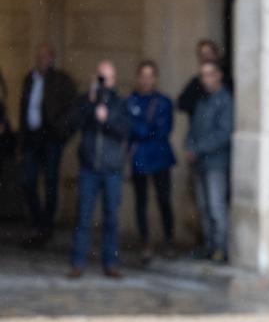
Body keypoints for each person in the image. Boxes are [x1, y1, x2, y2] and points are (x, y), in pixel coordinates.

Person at [68, 60, 130, 278]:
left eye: (107, 78)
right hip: (89, 167)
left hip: (112, 168)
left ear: (113, 80)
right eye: (101, 77)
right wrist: (90, 101)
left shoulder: (120, 103)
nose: (104, 82)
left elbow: (125, 129)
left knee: (111, 217)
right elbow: (73, 122)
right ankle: (77, 262)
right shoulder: (87, 100)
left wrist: (107, 119)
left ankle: (110, 263)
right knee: (83, 216)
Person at [18, 43, 77, 248]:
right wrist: (21, 142)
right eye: (39, 56)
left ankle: (46, 226)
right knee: (27, 181)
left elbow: (72, 109)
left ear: (52, 59)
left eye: (45, 56)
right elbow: (23, 110)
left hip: (51, 138)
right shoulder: (30, 79)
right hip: (32, 139)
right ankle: (37, 222)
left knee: (51, 183)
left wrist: (60, 131)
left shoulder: (61, 79)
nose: (41, 60)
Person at [127, 60, 177, 263]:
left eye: (150, 76)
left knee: (164, 199)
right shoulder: (131, 100)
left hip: (159, 156)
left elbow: (162, 129)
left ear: (155, 78)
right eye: (143, 75)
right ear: (139, 77)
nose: (146, 80)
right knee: (141, 202)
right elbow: (127, 126)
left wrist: (140, 130)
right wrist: (142, 130)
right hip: (139, 157)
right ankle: (145, 241)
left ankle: (169, 239)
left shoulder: (164, 102)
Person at [184, 60, 233, 263]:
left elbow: (223, 134)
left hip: (216, 164)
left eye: (210, 74)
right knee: (204, 208)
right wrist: (188, 144)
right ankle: (209, 246)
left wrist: (197, 148)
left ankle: (220, 248)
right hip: (200, 163)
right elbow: (193, 128)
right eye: (203, 75)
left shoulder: (225, 101)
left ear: (219, 75)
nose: (206, 79)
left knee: (216, 206)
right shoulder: (202, 100)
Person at [177, 40, 232, 118]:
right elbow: (182, 103)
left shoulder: (227, 79)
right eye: (202, 54)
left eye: (209, 53)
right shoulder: (196, 81)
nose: (206, 57)